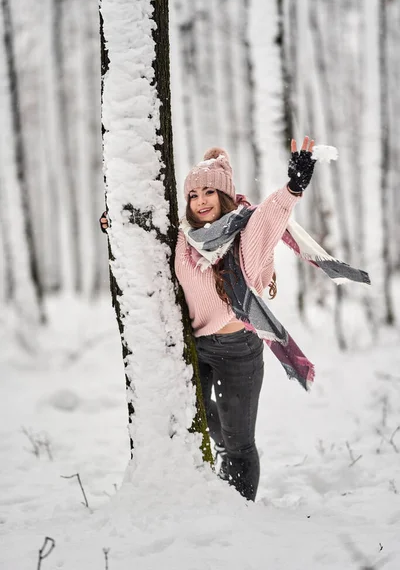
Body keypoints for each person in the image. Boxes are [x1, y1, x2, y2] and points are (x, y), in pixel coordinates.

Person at [100, 137, 370, 502]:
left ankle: (240, 509)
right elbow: (150, 230)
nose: (200, 201)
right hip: (197, 346)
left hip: (238, 350)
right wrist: (116, 222)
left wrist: (293, 187)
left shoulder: (246, 233)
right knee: (201, 423)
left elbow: (271, 215)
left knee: (238, 442)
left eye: (209, 192)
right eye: (193, 195)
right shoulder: (185, 237)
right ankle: (217, 491)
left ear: (224, 196)